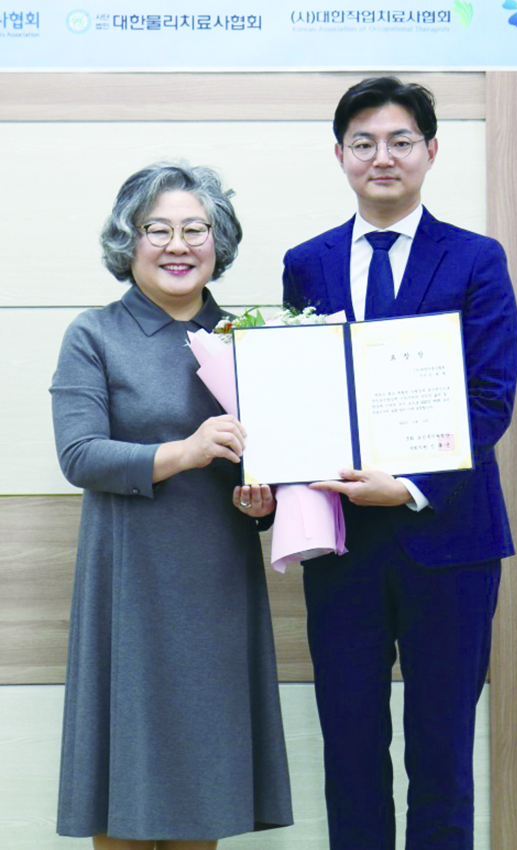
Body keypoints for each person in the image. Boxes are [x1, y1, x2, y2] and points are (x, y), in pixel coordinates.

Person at [282, 77, 517, 850]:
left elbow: (489, 399)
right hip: (341, 543)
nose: (381, 157)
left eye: (399, 141)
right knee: (348, 751)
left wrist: (410, 486)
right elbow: (298, 392)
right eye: (363, 143)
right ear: (339, 155)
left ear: (430, 151)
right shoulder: (306, 264)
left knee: (441, 752)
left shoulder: (477, 259)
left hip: (448, 542)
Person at [51, 162, 293, 850]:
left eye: (196, 228)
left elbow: (276, 469)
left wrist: (262, 504)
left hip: (216, 586)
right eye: (158, 229)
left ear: (220, 241)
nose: (178, 244)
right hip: (127, 587)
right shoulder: (94, 334)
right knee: (121, 802)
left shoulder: (250, 337)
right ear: (128, 241)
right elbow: (80, 456)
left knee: (201, 798)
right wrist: (184, 452)